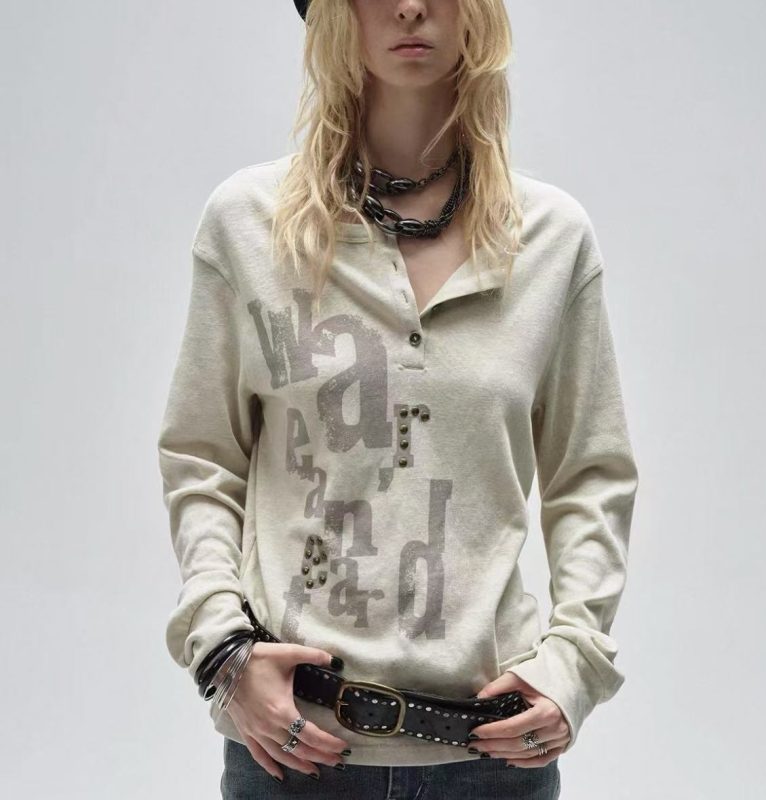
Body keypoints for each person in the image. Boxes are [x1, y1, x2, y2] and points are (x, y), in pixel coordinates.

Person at [156, 1, 639, 797]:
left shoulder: (550, 239)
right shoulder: (249, 225)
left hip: (492, 760)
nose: (411, 6)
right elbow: (201, 458)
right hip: (295, 751)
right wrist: (223, 651)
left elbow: (591, 475)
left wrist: (572, 665)